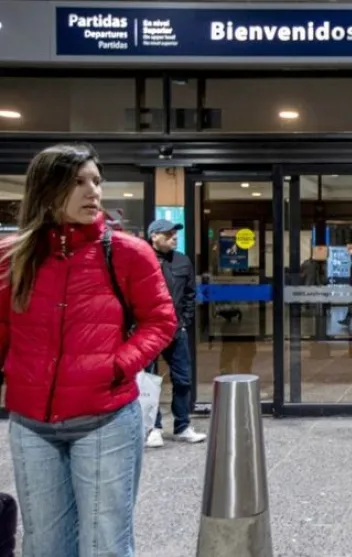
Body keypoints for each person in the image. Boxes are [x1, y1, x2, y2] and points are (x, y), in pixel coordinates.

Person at [0, 143, 176, 556]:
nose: (92, 191)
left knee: (104, 544)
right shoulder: (13, 257)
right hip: (31, 423)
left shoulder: (128, 252)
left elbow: (161, 320)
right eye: (78, 181)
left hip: (106, 418)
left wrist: (118, 365)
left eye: (96, 180)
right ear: (47, 187)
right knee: (43, 544)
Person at [145, 219, 207, 448]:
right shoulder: (141, 259)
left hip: (175, 330)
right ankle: (153, 427)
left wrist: (184, 322)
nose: (174, 237)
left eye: (175, 233)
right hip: (147, 331)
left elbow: (190, 294)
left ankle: (182, 426)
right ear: (154, 236)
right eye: (168, 233)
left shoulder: (182, 260)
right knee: (149, 381)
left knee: (183, 379)